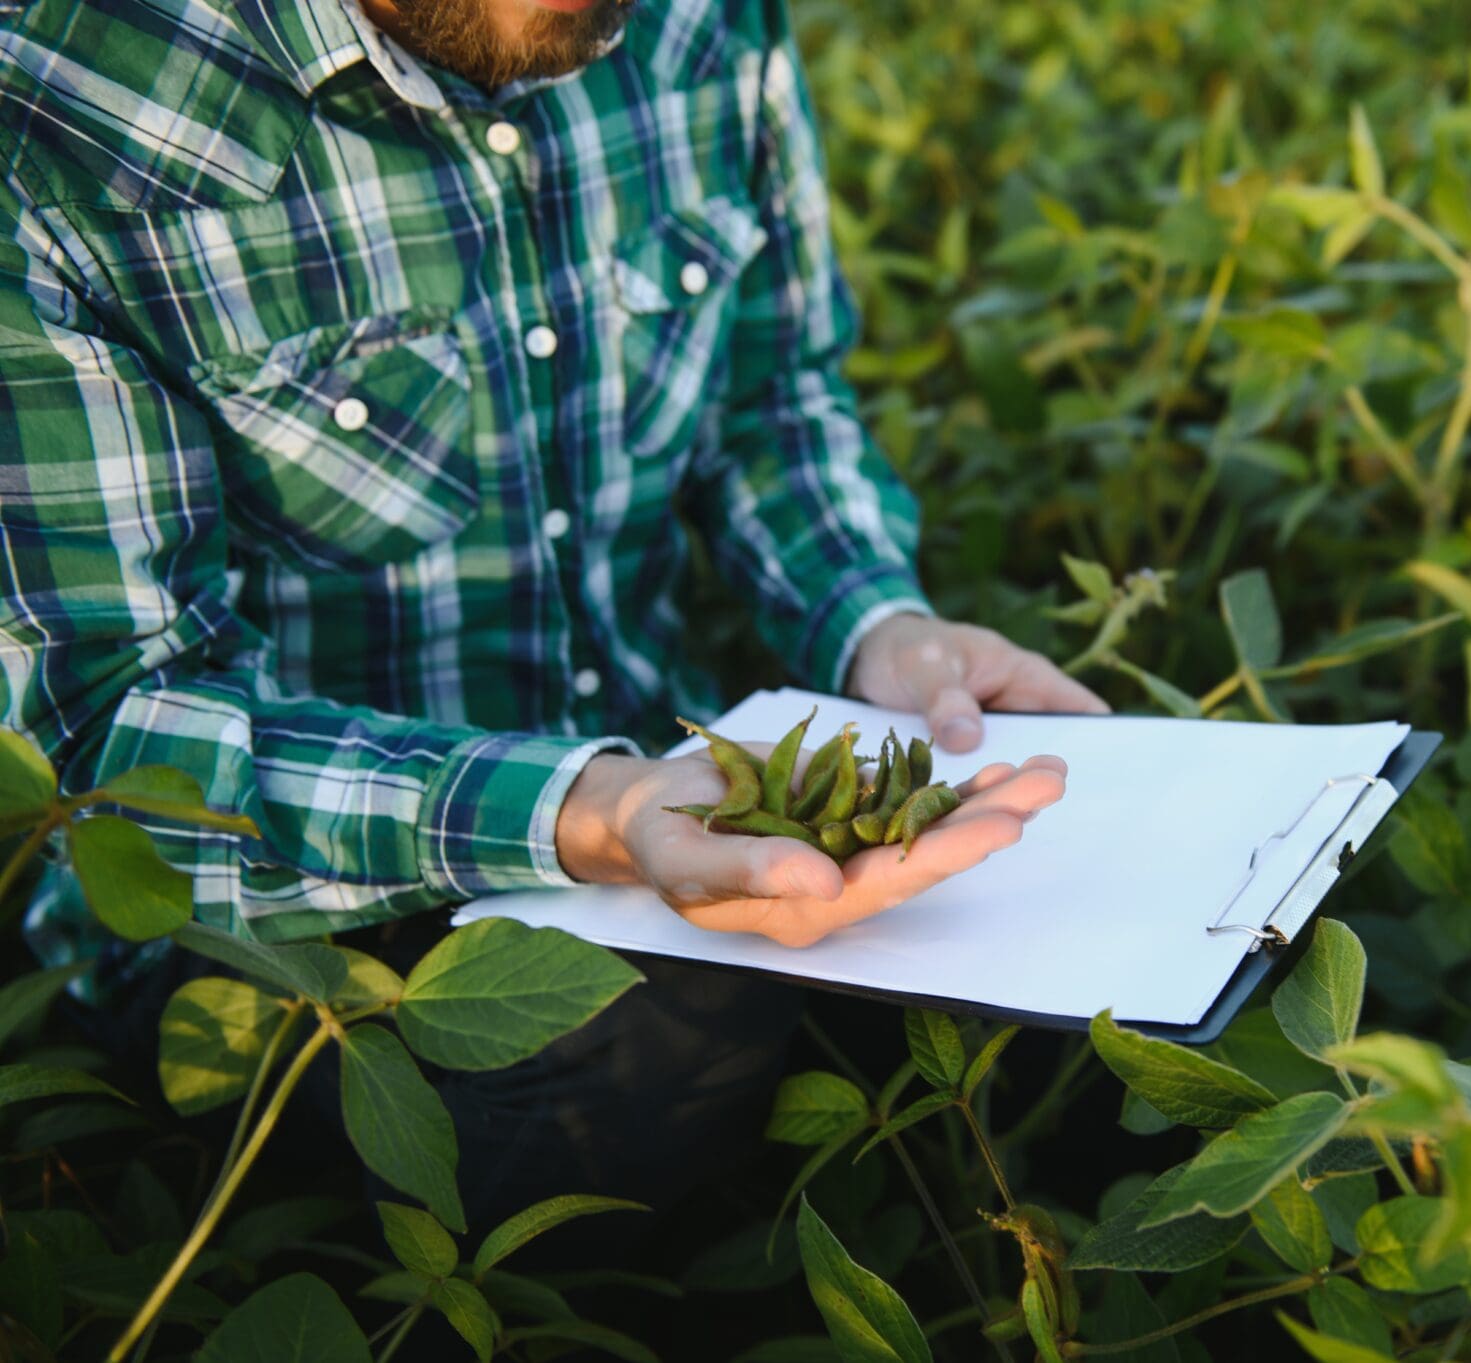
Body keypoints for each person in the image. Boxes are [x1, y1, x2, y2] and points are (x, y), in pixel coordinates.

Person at [0, 0, 1105, 1233]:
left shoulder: (707, 23)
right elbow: (105, 734)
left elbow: (770, 396)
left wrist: (872, 620)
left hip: (669, 784)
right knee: (647, 1066)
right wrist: (594, 812)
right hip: (274, 910)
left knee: (1055, 955)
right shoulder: (53, 121)